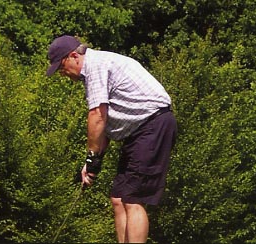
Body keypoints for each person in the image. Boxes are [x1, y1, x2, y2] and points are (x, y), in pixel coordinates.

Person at [46, 35, 177, 243]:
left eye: (61, 67)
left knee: (133, 199)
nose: (62, 73)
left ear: (73, 56)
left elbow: (97, 116)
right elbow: (106, 125)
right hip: (137, 133)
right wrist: (94, 161)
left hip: (152, 126)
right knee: (118, 198)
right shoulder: (95, 70)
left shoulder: (96, 66)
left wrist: (92, 157)